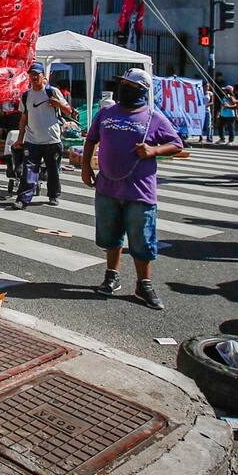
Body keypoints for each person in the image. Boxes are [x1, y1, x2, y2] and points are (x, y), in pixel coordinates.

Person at [82, 68, 182, 310]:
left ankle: (143, 283)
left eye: (128, 84)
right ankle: (111, 275)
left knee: (141, 239)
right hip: (107, 187)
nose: (122, 87)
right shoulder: (106, 113)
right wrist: (86, 166)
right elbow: (91, 139)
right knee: (110, 236)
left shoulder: (153, 118)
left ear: (141, 90)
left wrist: (154, 150)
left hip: (139, 190)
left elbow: (176, 144)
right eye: (122, 83)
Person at [12, 63, 74, 209]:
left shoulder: (52, 91)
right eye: (31, 74)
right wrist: (20, 139)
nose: (34, 77)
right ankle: (23, 199)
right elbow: (24, 118)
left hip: (52, 140)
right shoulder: (26, 95)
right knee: (29, 171)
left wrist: (57, 103)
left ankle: (53, 195)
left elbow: (68, 111)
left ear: (43, 76)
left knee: (53, 170)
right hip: (32, 140)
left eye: (37, 74)